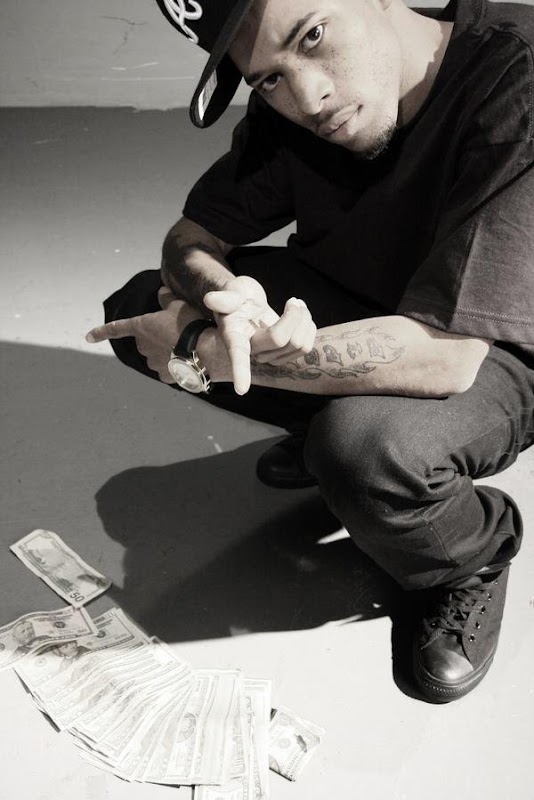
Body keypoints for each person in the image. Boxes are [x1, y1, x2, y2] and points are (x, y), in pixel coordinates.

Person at [86, 0, 534, 702]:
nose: (308, 97)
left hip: (495, 342)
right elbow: (190, 238)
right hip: (372, 299)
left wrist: (205, 348)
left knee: (363, 450)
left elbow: (444, 356)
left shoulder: (516, 79)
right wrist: (226, 300)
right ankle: (321, 421)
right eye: (267, 78)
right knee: (140, 310)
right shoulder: (297, 98)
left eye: (314, 36)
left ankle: (468, 557)